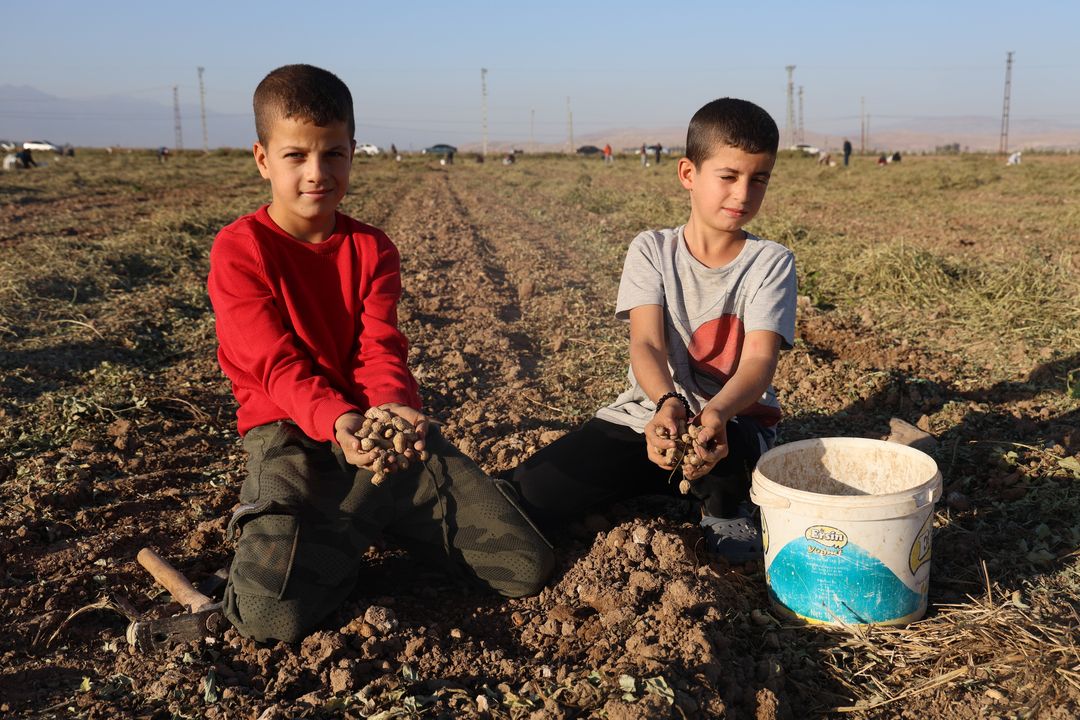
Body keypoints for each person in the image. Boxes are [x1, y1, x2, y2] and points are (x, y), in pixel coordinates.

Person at [207, 64, 553, 644]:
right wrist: (338, 421)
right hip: (290, 430)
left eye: (334, 154)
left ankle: (363, 513)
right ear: (263, 158)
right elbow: (275, 363)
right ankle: (343, 521)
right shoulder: (241, 249)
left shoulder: (372, 247)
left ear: (351, 152)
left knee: (523, 568)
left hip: (375, 430)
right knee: (269, 618)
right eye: (296, 156)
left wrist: (392, 406)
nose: (318, 174)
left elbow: (379, 343)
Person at [510, 97, 796, 563]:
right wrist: (667, 402)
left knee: (729, 480)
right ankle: (666, 484)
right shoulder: (651, 250)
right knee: (529, 493)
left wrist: (717, 413)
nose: (743, 194)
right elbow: (645, 343)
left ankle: (723, 504)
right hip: (651, 416)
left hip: (732, 425)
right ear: (688, 174)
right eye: (728, 176)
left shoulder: (771, 262)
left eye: (758, 179)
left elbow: (760, 361)